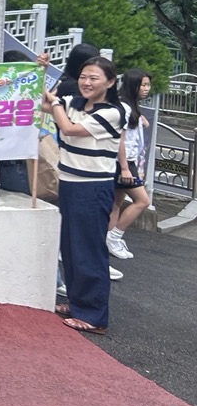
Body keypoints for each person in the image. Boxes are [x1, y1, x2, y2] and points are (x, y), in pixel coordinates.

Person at [42, 55, 126, 335]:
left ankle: (94, 316)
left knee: (88, 249)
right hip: (69, 182)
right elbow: (44, 102)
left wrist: (55, 103)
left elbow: (68, 129)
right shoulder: (73, 103)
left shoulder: (113, 111)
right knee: (71, 246)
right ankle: (78, 302)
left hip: (92, 187)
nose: (86, 83)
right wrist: (39, 70)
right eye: (83, 77)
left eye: (94, 78)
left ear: (110, 82)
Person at [107, 69, 153, 260]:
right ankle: (115, 236)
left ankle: (109, 239)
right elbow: (121, 140)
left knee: (116, 202)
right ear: (133, 85)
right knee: (142, 201)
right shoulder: (124, 107)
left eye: (148, 85)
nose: (146, 89)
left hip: (129, 161)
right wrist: (125, 167)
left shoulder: (130, 106)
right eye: (143, 85)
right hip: (123, 163)